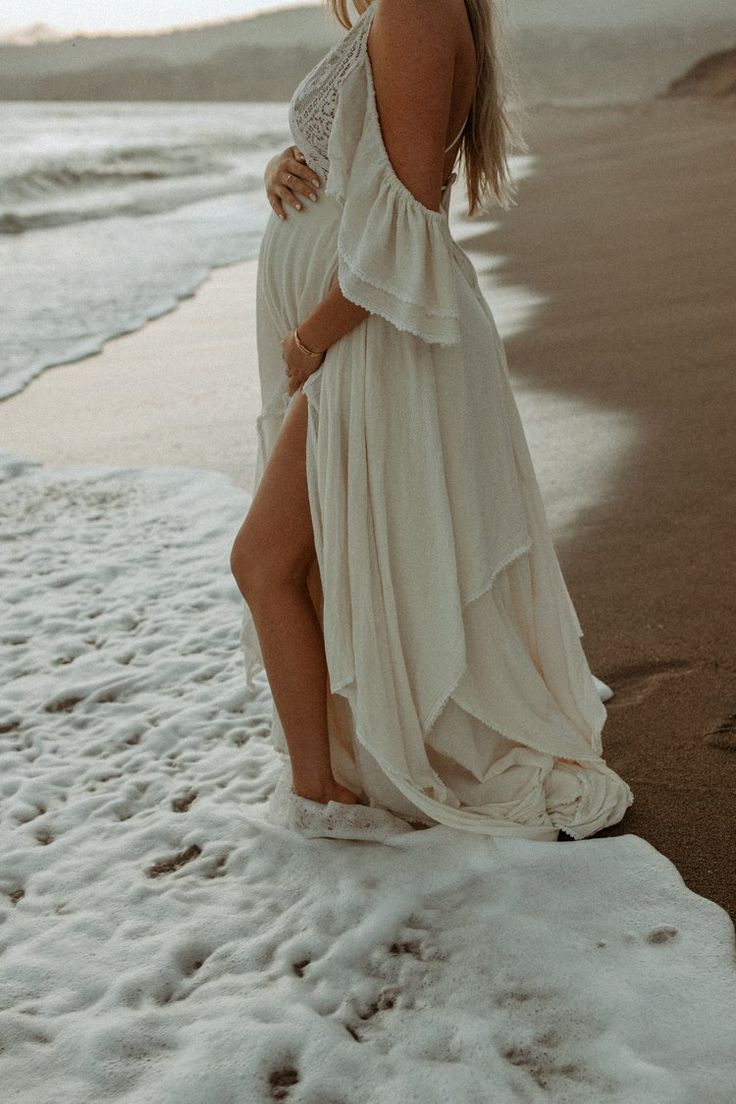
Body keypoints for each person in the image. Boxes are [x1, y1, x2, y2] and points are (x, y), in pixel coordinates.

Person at [230, 0, 634, 842]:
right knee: (303, 560)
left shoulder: (415, 5)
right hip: (356, 328)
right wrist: (288, 161)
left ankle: (322, 804)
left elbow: (411, 219)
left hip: (375, 335)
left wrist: (311, 339)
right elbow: (358, 161)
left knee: (265, 560)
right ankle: (333, 786)